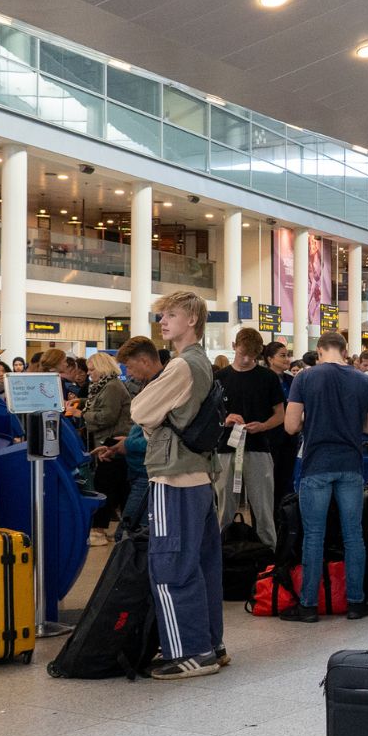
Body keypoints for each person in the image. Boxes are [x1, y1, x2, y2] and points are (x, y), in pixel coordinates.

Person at [129, 291, 225, 679]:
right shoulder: (203, 363)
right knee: (202, 565)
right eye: (161, 315)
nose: (163, 322)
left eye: (171, 315)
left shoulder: (181, 366)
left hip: (174, 476)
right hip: (200, 476)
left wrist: (155, 419)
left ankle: (189, 652)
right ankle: (211, 644)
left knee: (170, 565)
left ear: (192, 320)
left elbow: (140, 410)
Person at [284, 331, 368, 622]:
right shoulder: (364, 380)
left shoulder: (304, 378)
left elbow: (290, 426)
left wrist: (312, 420)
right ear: (346, 349)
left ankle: (309, 606)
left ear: (319, 350)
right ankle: (355, 603)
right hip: (351, 464)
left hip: (316, 465)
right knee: (353, 535)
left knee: (314, 535)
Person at [215, 327, 285, 547]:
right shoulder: (220, 378)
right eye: (241, 353)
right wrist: (225, 419)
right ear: (234, 347)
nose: (245, 359)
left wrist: (263, 426)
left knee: (263, 508)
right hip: (226, 449)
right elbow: (208, 414)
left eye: (251, 356)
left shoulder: (268, 378)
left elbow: (280, 414)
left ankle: (269, 557)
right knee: (225, 507)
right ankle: (221, 553)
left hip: (258, 448)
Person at [112, 337, 163, 536]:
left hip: (148, 473)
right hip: (140, 471)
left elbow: (160, 436)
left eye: (130, 367)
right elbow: (144, 428)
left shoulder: (161, 388)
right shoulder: (149, 385)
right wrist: (123, 444)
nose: (129, 374)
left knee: (128, 535)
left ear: (144, 360)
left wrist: (129, 444)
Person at [80, 352, 133, 541]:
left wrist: (82, 415)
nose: (89, 373)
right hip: (109, 440)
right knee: (117, 487)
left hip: (112, 442)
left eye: (92, 369)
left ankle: (99, 530)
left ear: (102, 368)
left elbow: (107, 416)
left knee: (105, 485)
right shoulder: (105, 386)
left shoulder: (111, 387)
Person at [264, 341, 299, 500]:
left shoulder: (291, 380)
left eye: (288, 355)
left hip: (290, 436)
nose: (287, 359)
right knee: (270, 479)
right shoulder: (262, 380)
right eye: (282, 355)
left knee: (286, 479)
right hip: (270, 436)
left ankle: (284, 517)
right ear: (270, 359)